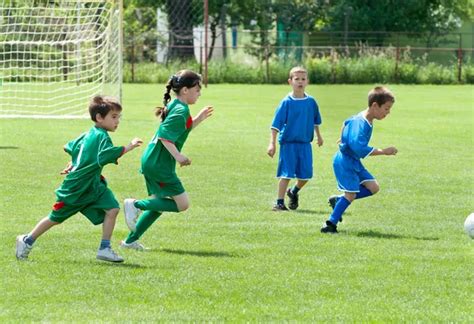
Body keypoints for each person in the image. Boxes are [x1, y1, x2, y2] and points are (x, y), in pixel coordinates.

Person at [15, 96, 143, 262]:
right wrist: (129, 146)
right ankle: (27, 240)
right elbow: (105, 155)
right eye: (113, 117)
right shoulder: (101, 137)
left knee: (112, 208)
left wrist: (75, 161)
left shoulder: (89, 133)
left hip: (93, 185)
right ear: (99, 117)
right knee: (55, 218)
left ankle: (105, 248)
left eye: (119, 117)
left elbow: (70, 146)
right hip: (76, 187)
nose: (117, 121)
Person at [121, 70, 213, 250]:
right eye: (197, 89)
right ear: (185, 90)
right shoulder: (180, 110)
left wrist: (198, 119)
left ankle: (130, 242)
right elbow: (165, 136)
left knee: (158, 204)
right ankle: (135, 205)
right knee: (182, 204)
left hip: (154, 161)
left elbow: (179, 130)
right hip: (159, 164)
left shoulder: (177, 106)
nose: (199, 93)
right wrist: (178, 156)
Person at [321, 86, 397, 234]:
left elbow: (346, 121)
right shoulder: (361, 123)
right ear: (375, 105)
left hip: (353, 161)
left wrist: (342, 136)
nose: (388, 112)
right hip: (345, 162)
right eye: (386, 109)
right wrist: (384, 151)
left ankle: (339, 201)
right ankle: (330, 224)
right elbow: (358, 147)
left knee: (373, 187)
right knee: (350, 195)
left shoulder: (364, 117)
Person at [267, 66, 323, 211]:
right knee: (286, 174)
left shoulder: (311, 102)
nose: (300, 82)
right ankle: (279, 203)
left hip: (305, 144)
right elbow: (275, 126)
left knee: (305, 176)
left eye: (303, 79)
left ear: (307, 82)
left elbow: (315, 120)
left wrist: (319, 136)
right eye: (296, 79)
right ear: (290, 81)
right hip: (288, 144)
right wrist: (272, 144)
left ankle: (293, 192)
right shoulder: (286, 102)